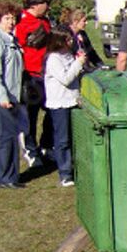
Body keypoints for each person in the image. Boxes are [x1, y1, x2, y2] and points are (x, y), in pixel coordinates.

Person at [14, 0, 52, 167]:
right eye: (46, 3)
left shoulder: (45, 21)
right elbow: (17, 48)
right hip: (31, 75)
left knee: (51, 110)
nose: (48, 7)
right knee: (31, 115)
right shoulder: (21, 23)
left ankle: (46, 145)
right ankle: (30, 150)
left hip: (47, 74)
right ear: (36, 4)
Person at [44, 27, 86, 186]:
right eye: (68, 39)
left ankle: (76, 167)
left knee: (74, 136)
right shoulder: (53, 59)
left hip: (73, 101)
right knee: (62, 139)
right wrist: (78, 63)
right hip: (60, 104)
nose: (71, 42)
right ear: (59, 41)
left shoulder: (67, 55)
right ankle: (65, 173)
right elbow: (66, 78)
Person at [0, 1, 24, 188]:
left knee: (12, 136)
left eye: (13, 18)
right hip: (3, 99)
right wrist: (3, 97)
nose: (11, 22)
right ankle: (5, 177)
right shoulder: (0, 41)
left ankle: (11, 176)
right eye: (7, 18)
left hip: (14, 96)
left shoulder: (11, 39)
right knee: (5, 138)